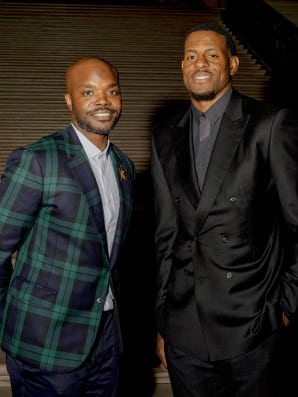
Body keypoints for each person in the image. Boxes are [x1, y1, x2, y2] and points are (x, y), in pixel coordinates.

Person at [151, 23, 298, 397]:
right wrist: (164, 320)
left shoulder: (269, 124)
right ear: (181, 66)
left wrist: (285, 306)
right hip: (185, 330)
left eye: (211, 55)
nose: (200, 63)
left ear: (233, 64)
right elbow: (167, 232)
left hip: (252, 326)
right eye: (191, 56)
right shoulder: (165, 131)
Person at [0, 56, 135, 397]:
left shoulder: (124, 166)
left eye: (112, 91)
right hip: (45, 340)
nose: (103, 100)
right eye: (88, 92)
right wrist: (12, 313)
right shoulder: (39, 160)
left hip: (105, 337)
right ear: (69, 100)